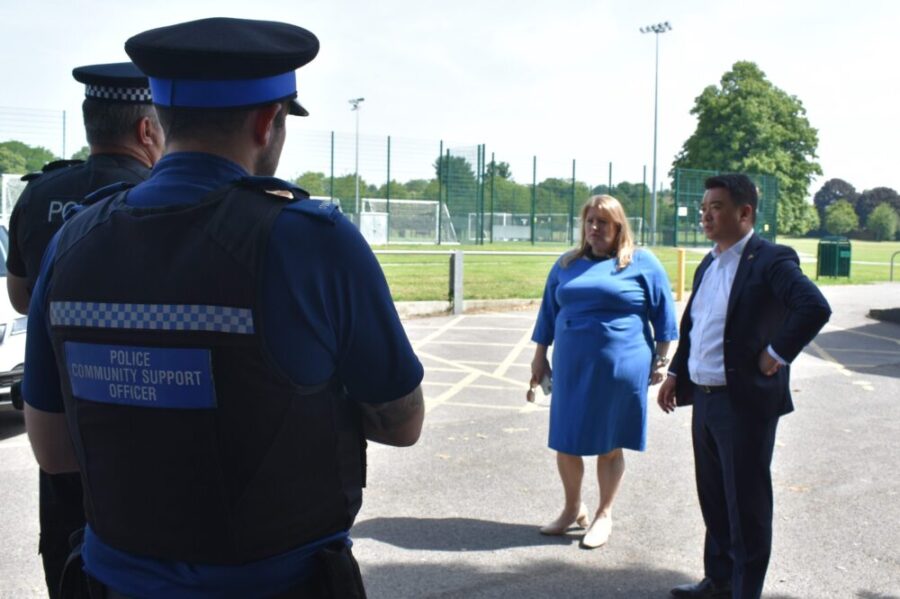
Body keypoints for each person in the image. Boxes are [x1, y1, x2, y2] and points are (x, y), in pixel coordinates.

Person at [22, 17, 424, 598]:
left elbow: (55, 453)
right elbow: (402, 423)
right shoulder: (312, 241)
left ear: (161, 118)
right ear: (268, 121)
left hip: (111, 582)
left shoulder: (74, 241)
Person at [5, 61, 162, 599]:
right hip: (147, 442)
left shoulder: (39, 193)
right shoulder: (164, 203)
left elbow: (22, 298)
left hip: (60, 429)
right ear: (147, 130)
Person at [657, 174, 831, 599]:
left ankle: (744, 591)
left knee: (746, 507)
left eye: (714, 207)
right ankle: (718, 579)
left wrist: (776, 352)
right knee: (714, 498)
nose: (705, 215)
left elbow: (814, 307)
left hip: (745, 405)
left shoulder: (770, 260)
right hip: (706, 401)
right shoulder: (709, 262)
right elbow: (696, 326)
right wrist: (677, 373)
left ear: (745, 212)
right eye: (703, 208)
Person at [530, 194, 678, 549]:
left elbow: (665, 317)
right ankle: (571, 509)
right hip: (572, 366)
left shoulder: (641, 263)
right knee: (566, 440)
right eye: (590, 221)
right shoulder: (566, 263)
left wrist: (661, 359)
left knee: (609, 444)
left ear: (618, 227)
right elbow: (548, 313)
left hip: (621, 368)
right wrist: (539, 357)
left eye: (603, 223)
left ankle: (604, 514)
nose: (594, 228)